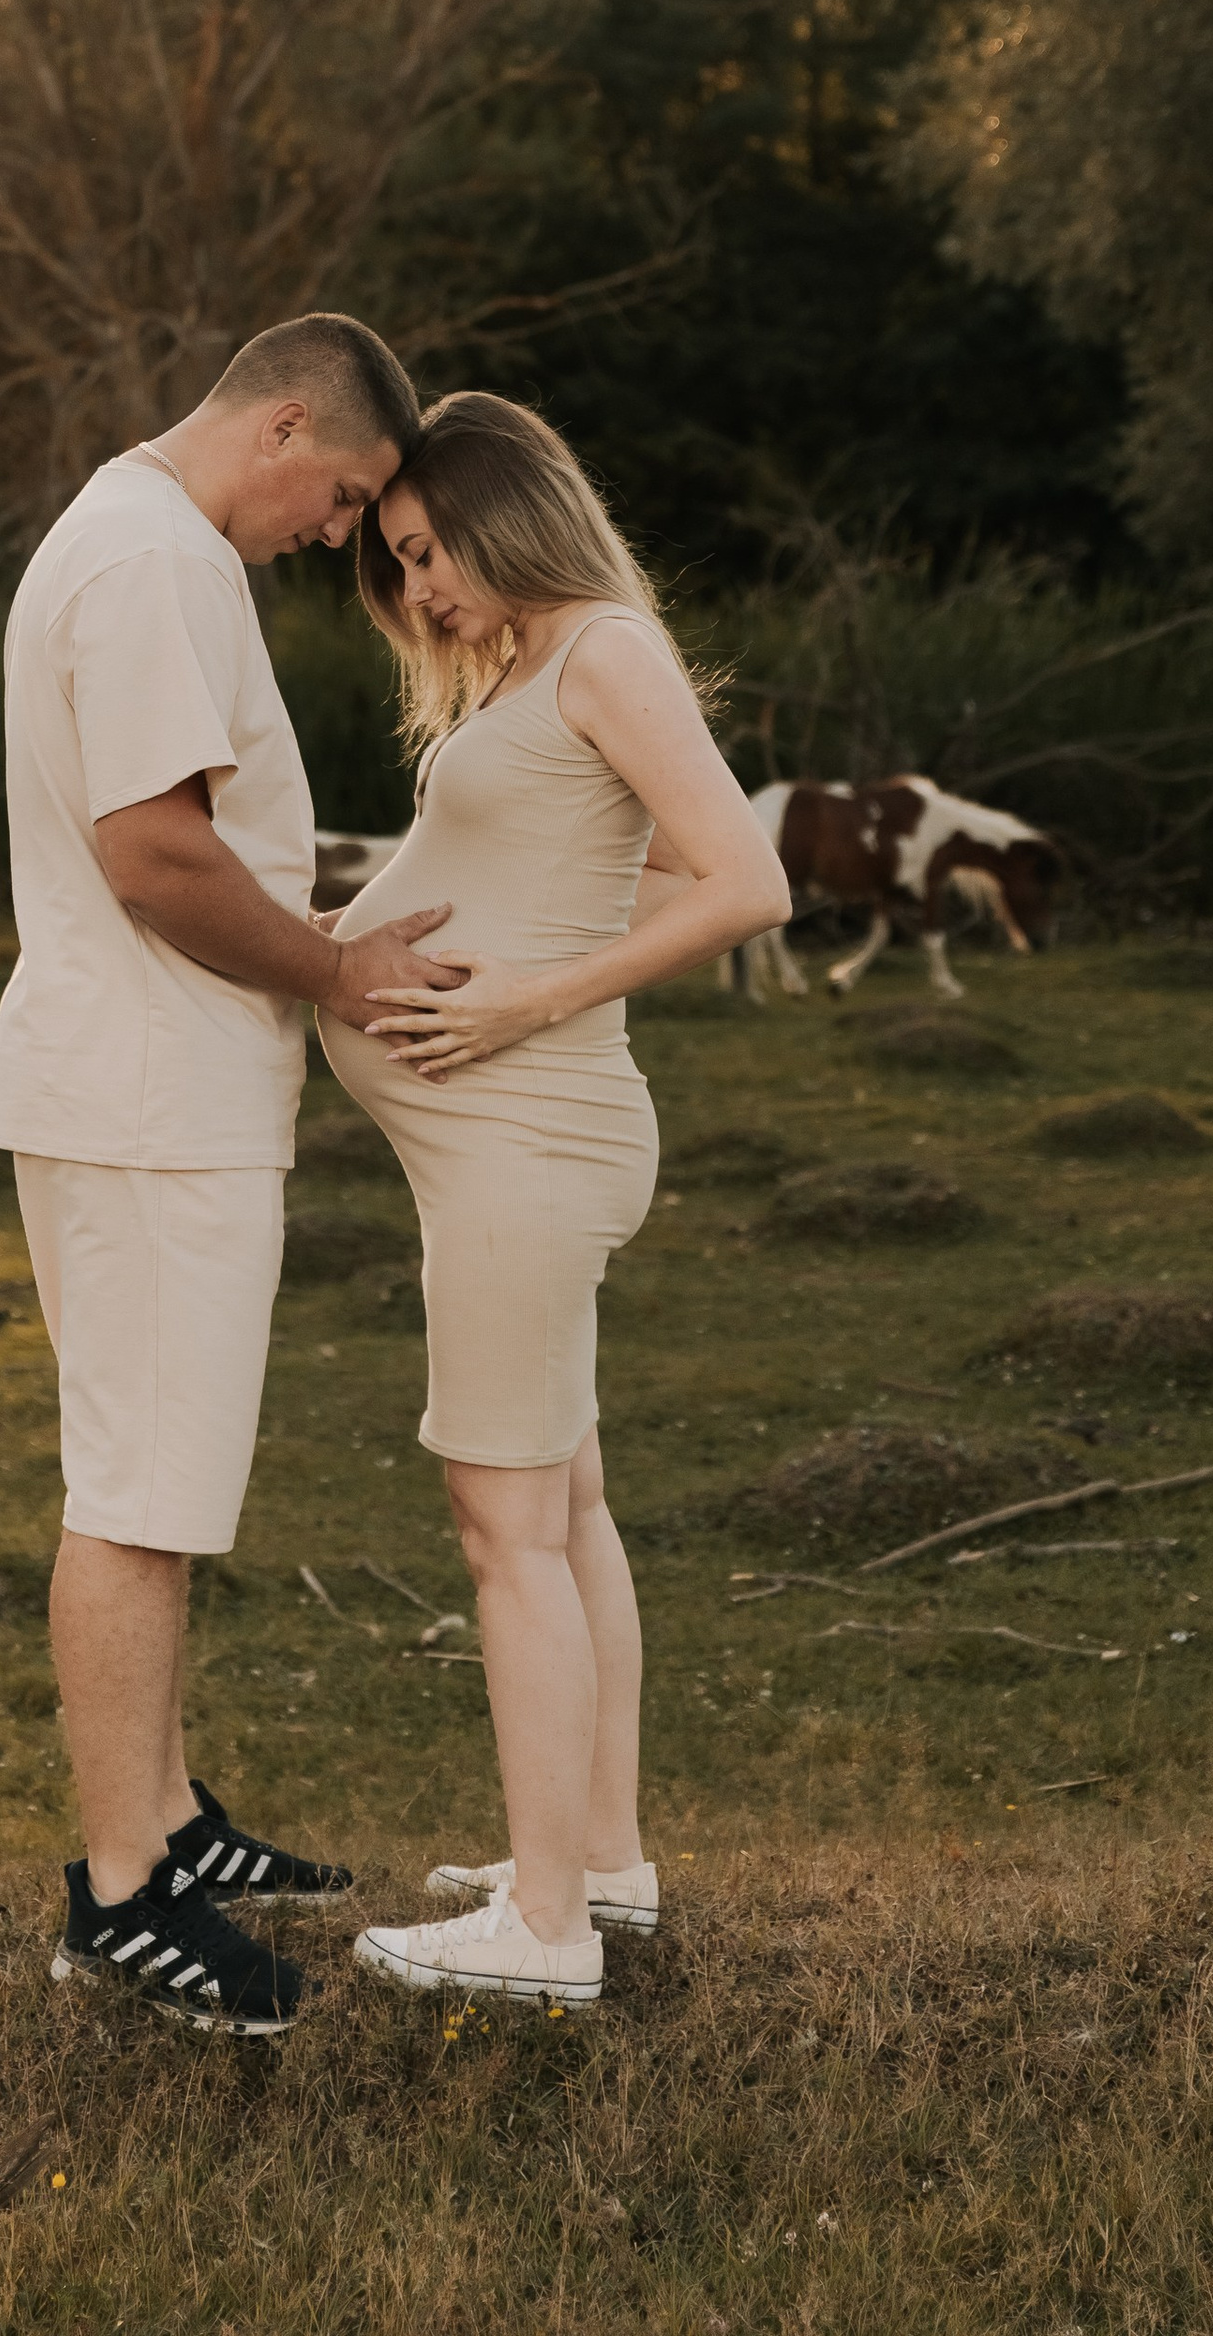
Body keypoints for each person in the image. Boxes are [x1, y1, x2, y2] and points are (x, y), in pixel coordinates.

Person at [0, 313, 463, 2038]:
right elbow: (158, 858)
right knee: (136, 1492)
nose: (339, 539)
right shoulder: (151, 564)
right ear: (281, 431)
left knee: (164, 1480)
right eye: (341, 499)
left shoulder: (144, 542)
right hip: (141, 1100)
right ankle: (124, 1900)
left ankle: (171, 1825)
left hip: (162, 1093)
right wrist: (338, 968)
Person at [316, 393, 789, 2009]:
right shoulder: (532, 671)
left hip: (531, 1136)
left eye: (432, 550)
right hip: (502, 1147)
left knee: (502, 1527)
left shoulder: (602, 649)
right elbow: (622, 868)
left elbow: (746, 880)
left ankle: (543, 1936)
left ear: (513, 513)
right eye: (398, 561)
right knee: (566, 1508)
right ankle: (598, 1864)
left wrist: (532, 1001)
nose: (419, 589)